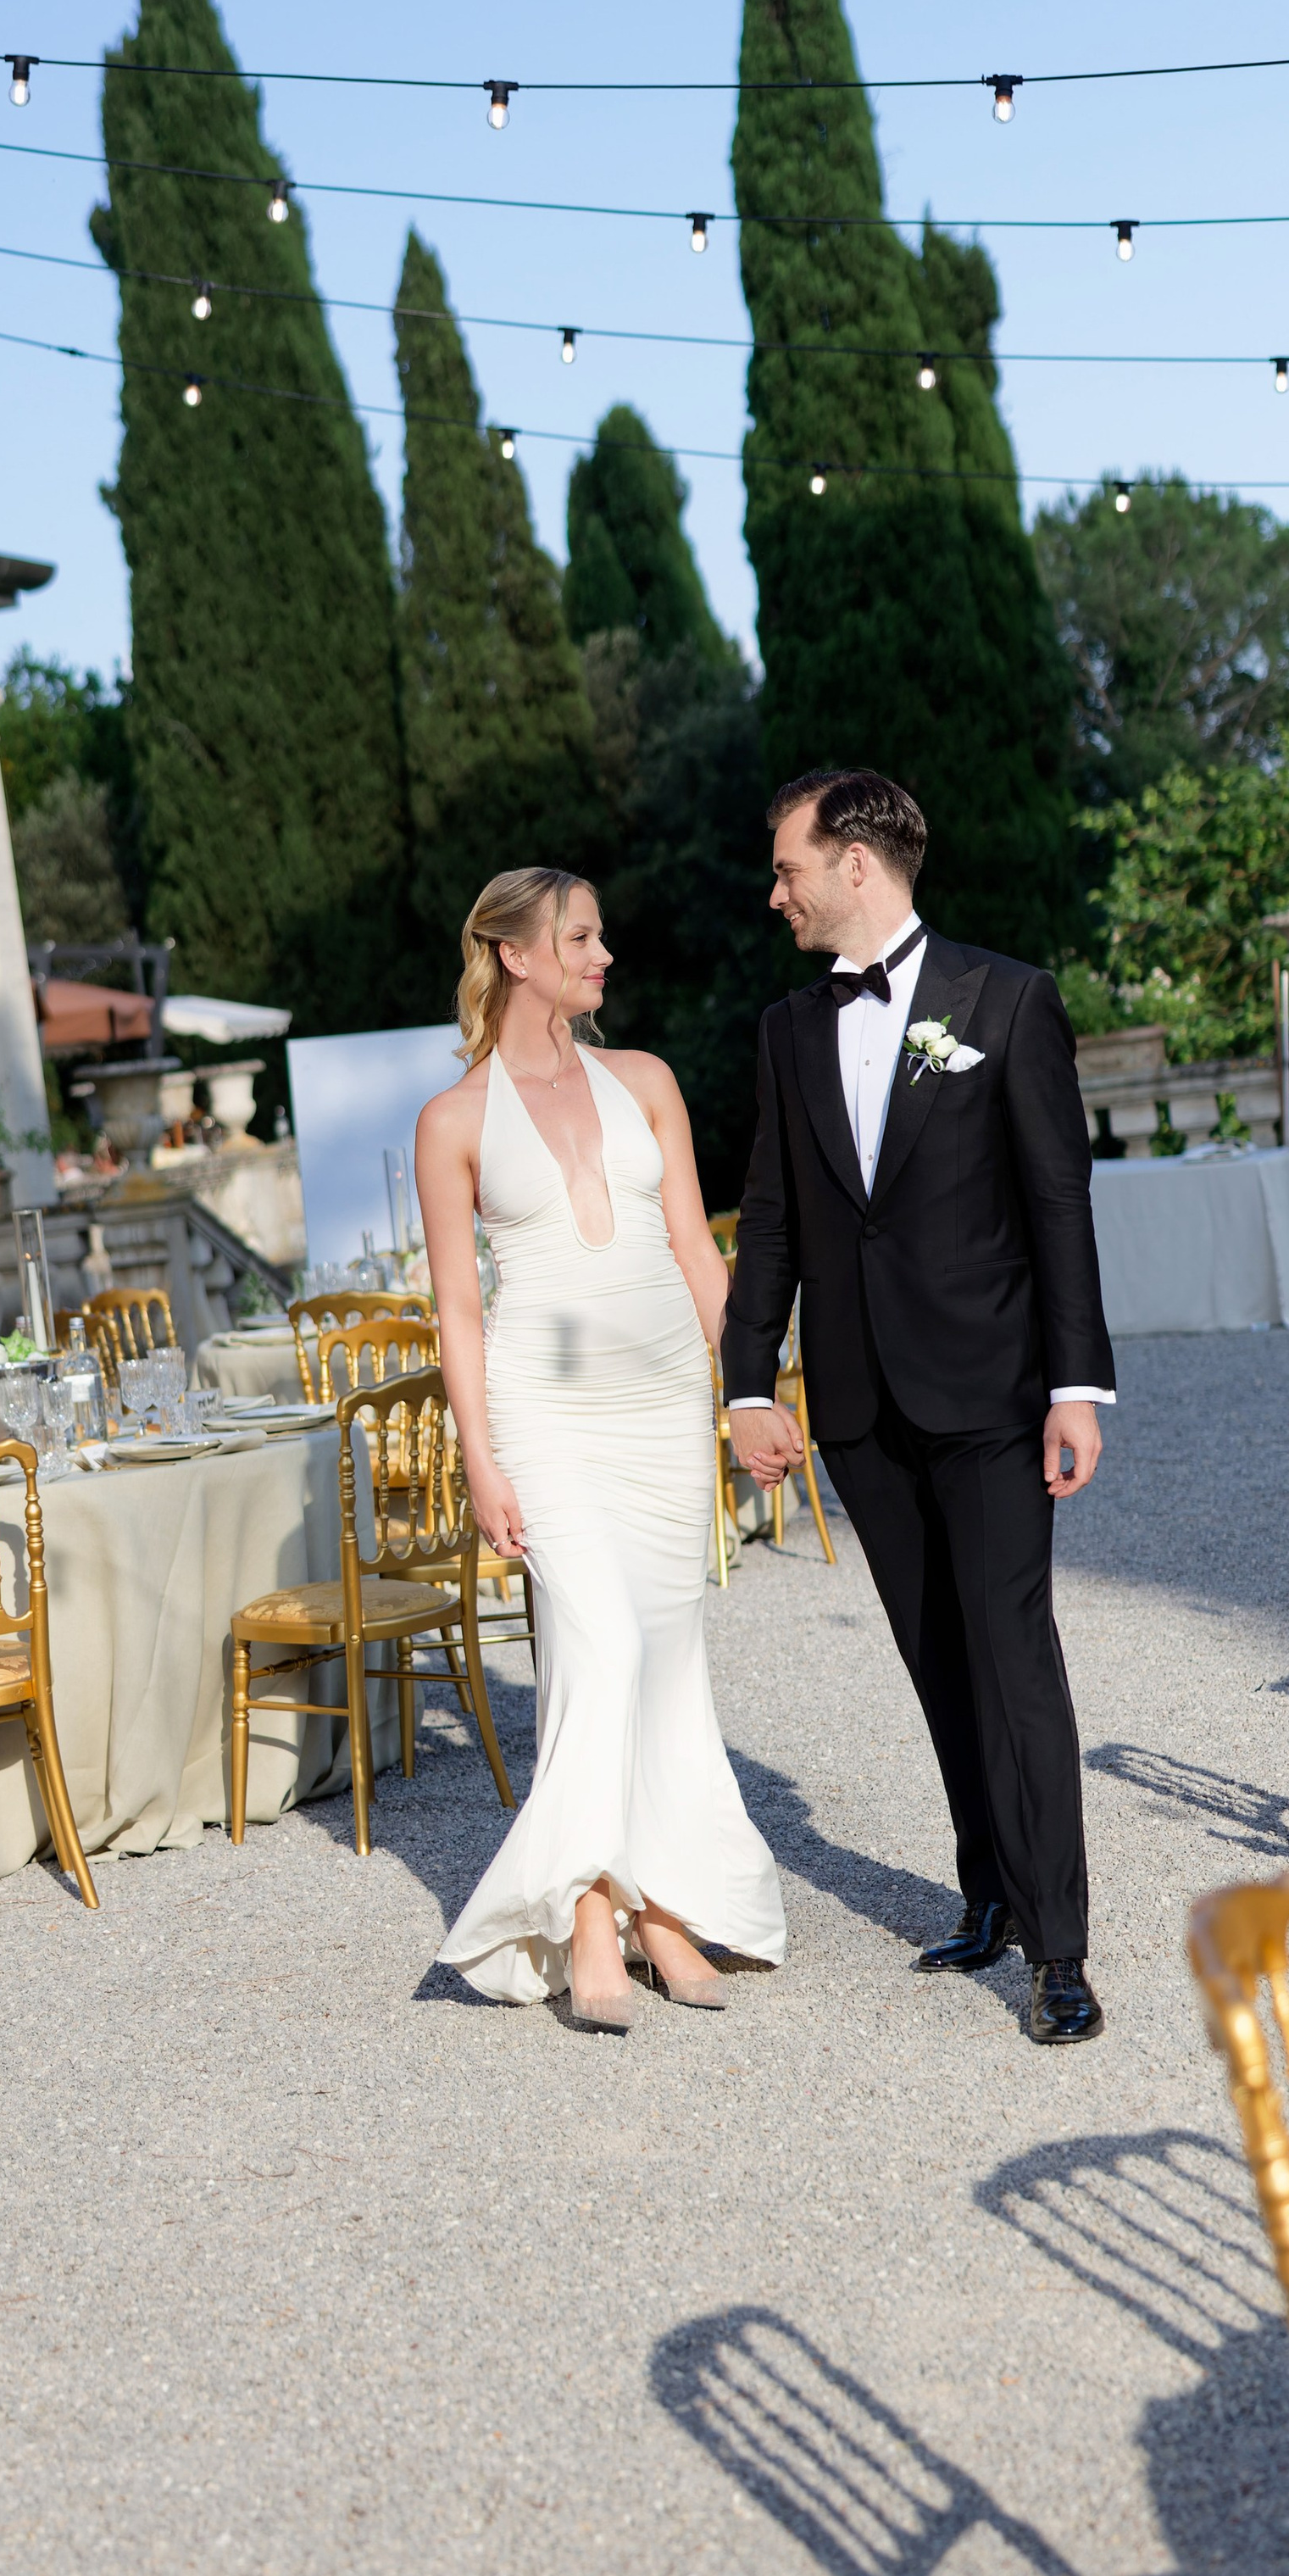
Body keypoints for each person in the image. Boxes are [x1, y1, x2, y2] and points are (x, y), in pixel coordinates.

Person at [722, 768, 1114, 2046]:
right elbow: (772, 1222)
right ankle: (987, 1889)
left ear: (855, 864)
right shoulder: (786, 1029)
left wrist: (1076, 1386)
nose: (773, 890)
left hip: (996, 1392)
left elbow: (1059, 1203)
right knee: (938, 1661)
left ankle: (1060, 1949)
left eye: (786, 866)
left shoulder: (1005, 999)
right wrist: (744, 1382)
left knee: (1013, 1659)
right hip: (860, 1402)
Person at [417, 868, 787, 2031]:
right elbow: (459, 1311)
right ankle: (586, 1912)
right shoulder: (453, 1120)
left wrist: (746, 1396)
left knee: (668, 1650)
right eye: (581, 935)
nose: (605, 951)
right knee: (599, 1641)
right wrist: (481, 1458)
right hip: (544, 1411)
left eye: (601, 933)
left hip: (661, 1404)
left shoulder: (648, 1083)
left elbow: (693, 1244)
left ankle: (661, 1906)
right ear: (517, 954)